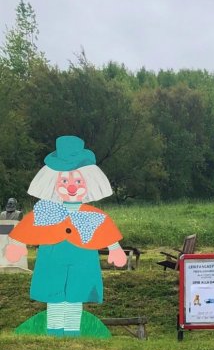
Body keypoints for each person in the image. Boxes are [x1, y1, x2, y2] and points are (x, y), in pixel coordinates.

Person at [3, 136, 127, 336]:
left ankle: (71, 333)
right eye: (64, 180)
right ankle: (54, 333)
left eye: (78, 181)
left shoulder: (92, 215)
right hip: (52, 257)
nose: (71, 186)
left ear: (89, 183)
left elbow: (105, 228)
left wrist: (115, 248)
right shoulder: (45, 211)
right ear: (53, 183)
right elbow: (28, 225)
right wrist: (16, 244)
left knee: (76, 295)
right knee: (54, 294)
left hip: (82, 258)